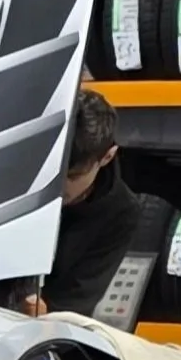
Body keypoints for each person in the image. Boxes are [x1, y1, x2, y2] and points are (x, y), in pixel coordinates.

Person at [26, 88, 139, 318]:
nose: (58, 187)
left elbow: (77, 302)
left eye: (73, 176)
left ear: (107, 157)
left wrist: (43, 311)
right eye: (55, 173)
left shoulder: (120, 213)